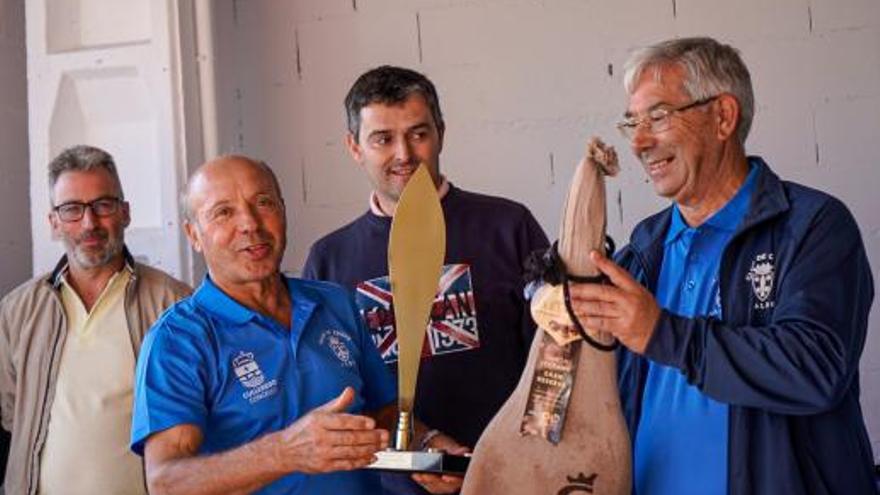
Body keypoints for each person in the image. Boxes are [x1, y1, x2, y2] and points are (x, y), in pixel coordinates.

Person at [570, 37, 877, 494]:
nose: (638, 142)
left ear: (723, 117)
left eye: (658, 116)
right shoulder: (643, 249)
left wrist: (662, 334)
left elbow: (815, 368)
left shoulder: (813, 226)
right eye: (632, 122)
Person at [303, 65, 549, 494]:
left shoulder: (508, 227)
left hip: (508, 480)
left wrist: (535, 452)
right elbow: (335, 397)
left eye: (418, 134)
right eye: (383, 138)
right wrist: (421, 446)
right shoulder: (329, 260)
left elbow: (554, 358)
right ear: (354, 147)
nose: (404, 153)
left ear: (441, 134)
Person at [130, 156, 401, 495]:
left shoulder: (335, 302)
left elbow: (384, 413)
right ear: (193, 235)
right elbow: (166, 482)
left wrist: (428, 450)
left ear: (283, 211)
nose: (250, 224)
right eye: (223, 212)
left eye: (263, 203)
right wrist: (286, 452)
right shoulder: (177, 339)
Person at [0, 145, 191, 494]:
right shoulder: (17, 311)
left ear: (125, 213)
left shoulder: (175, 304)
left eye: (103, 205)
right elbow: (13, 416)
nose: (89, 223)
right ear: (54, 222)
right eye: (72, 209)